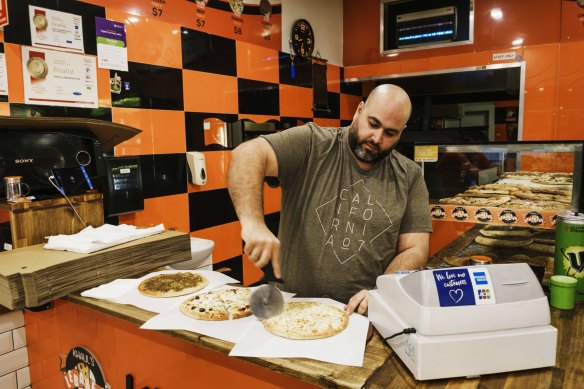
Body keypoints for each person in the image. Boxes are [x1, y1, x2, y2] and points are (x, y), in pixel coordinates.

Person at [227, 84, 432, 315]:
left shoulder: (409, 176)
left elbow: (415, 248)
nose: (376, 138)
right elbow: (247, 153)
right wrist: (253, 223)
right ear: (359, 110)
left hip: (360, 314)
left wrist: (381, 289)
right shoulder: (314, 144)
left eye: (390, 133)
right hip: (290, 308)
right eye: (373, 124)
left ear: (401, 132)